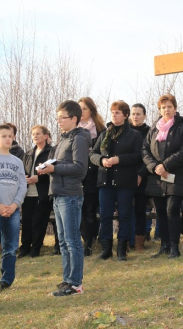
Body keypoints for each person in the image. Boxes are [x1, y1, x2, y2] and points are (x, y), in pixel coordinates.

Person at [38, 100, 90, 297]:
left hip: (70, 195)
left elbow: (80, 168)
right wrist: (47, 167)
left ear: (74, 119)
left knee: (72, 240)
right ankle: (67, 279)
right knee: (62, 240)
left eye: (63, 117)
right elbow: (60, 163)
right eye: (57, 117)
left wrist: (55, 168)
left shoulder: (79, 139)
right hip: (58, 194)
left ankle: (76, 284)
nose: (59, 121)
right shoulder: (64, 139)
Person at [142, 94, 183, 259]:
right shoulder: (154, 129)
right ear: (160, 109)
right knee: (160, 211)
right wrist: (155, 167)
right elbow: (145, 150)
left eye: (169, 106)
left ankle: (174, 246)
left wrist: (166, 165)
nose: (166, 110)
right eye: (163, 107)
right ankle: (164, 245)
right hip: (157, 177)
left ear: (175, 108)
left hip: (177, 176)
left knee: (172, 209)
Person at [90, 101, 143, 261]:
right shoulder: (104, 133)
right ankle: (106, 249)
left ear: (126, 115)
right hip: (105, 181)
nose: (114, 114)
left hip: (125, 181)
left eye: (118, 112)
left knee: (124, 215)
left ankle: (122, 249)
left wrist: (118, 159)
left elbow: (138, 156)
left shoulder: (134, 135)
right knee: (105, 215)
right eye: (112, 112)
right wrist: (101, 160)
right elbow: (92, 153)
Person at [0, 124, 27, 293]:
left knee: (10, 247)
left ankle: (6, 280)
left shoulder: (17, 162)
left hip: (13, 210)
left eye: (10, 136)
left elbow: (22, 186)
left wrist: (15, 205)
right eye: (4, 136)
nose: (8, 139)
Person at [19, 125, 57, 258]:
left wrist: (39, 178)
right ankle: (24, 248)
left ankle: (35, 249)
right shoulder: (28, 153)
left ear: (46, 136)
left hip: (42, 193)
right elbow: (22, 170)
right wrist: (24, 177)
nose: (35, 136)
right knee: (27, 221)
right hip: (28, 193)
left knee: (38, 222)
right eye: (33, 134)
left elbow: (53, 172)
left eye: (38, 133)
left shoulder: (52, 152)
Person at [78, 97, 106, 256]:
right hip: (78, 175)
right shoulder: (73, 130)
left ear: (91, 111)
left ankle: (90, 243)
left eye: (84, 109)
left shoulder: (101, 130)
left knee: (90, 209)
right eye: (79, 109)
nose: (81, 112)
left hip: (95, 175)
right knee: (81, 211)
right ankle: (86, 239)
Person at [129, 103, 151, 251]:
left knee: (141, 209)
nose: (135, 116)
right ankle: (128, 240)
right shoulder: (125, 131)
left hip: (144, 175)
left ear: (144, 116)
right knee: (125, 209)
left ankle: (139, 242)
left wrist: (141, 174)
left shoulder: (150, 132)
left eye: (138, 114)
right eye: (133, 114)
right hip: (126, 176)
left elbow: (151, 154)